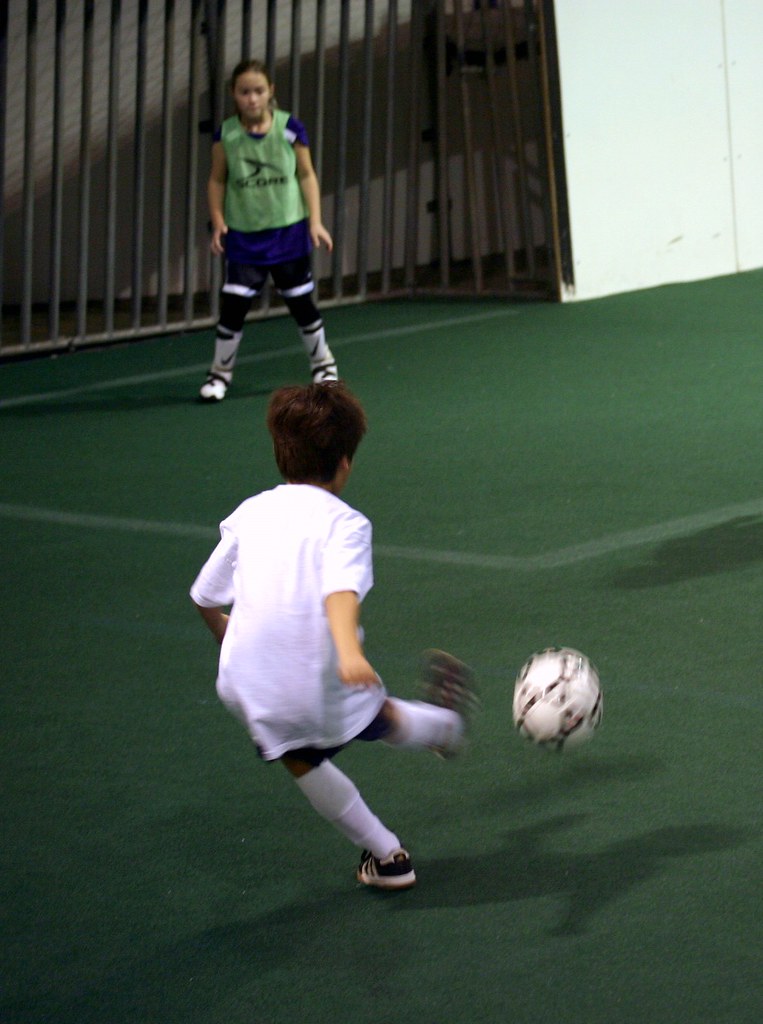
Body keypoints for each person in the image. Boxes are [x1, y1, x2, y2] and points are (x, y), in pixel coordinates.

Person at [190, 382, 478, 888]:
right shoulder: (345, 524)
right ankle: (445, 728)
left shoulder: (248, 514)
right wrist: (348, 652)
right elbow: (340, 591)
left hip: (250, 686)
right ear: (345, 463)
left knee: (300, 756)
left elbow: (205, 597)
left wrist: (228, 637)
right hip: (322, 674)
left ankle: (387, 855)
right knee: (377, 715)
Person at [199, 59, 337, 402]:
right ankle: (219, 374)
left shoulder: (290, 129)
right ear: (234, 94)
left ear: (270, 91)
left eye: (258, 91)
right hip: (245, 236)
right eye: (244, 92)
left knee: (300, 301)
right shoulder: (227, 134)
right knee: (233, 305)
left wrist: (314, 221)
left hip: (288, 233)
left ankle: (323, 364)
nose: (252, 98)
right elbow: (217, 179)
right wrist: (218, 220)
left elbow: (306, 175)